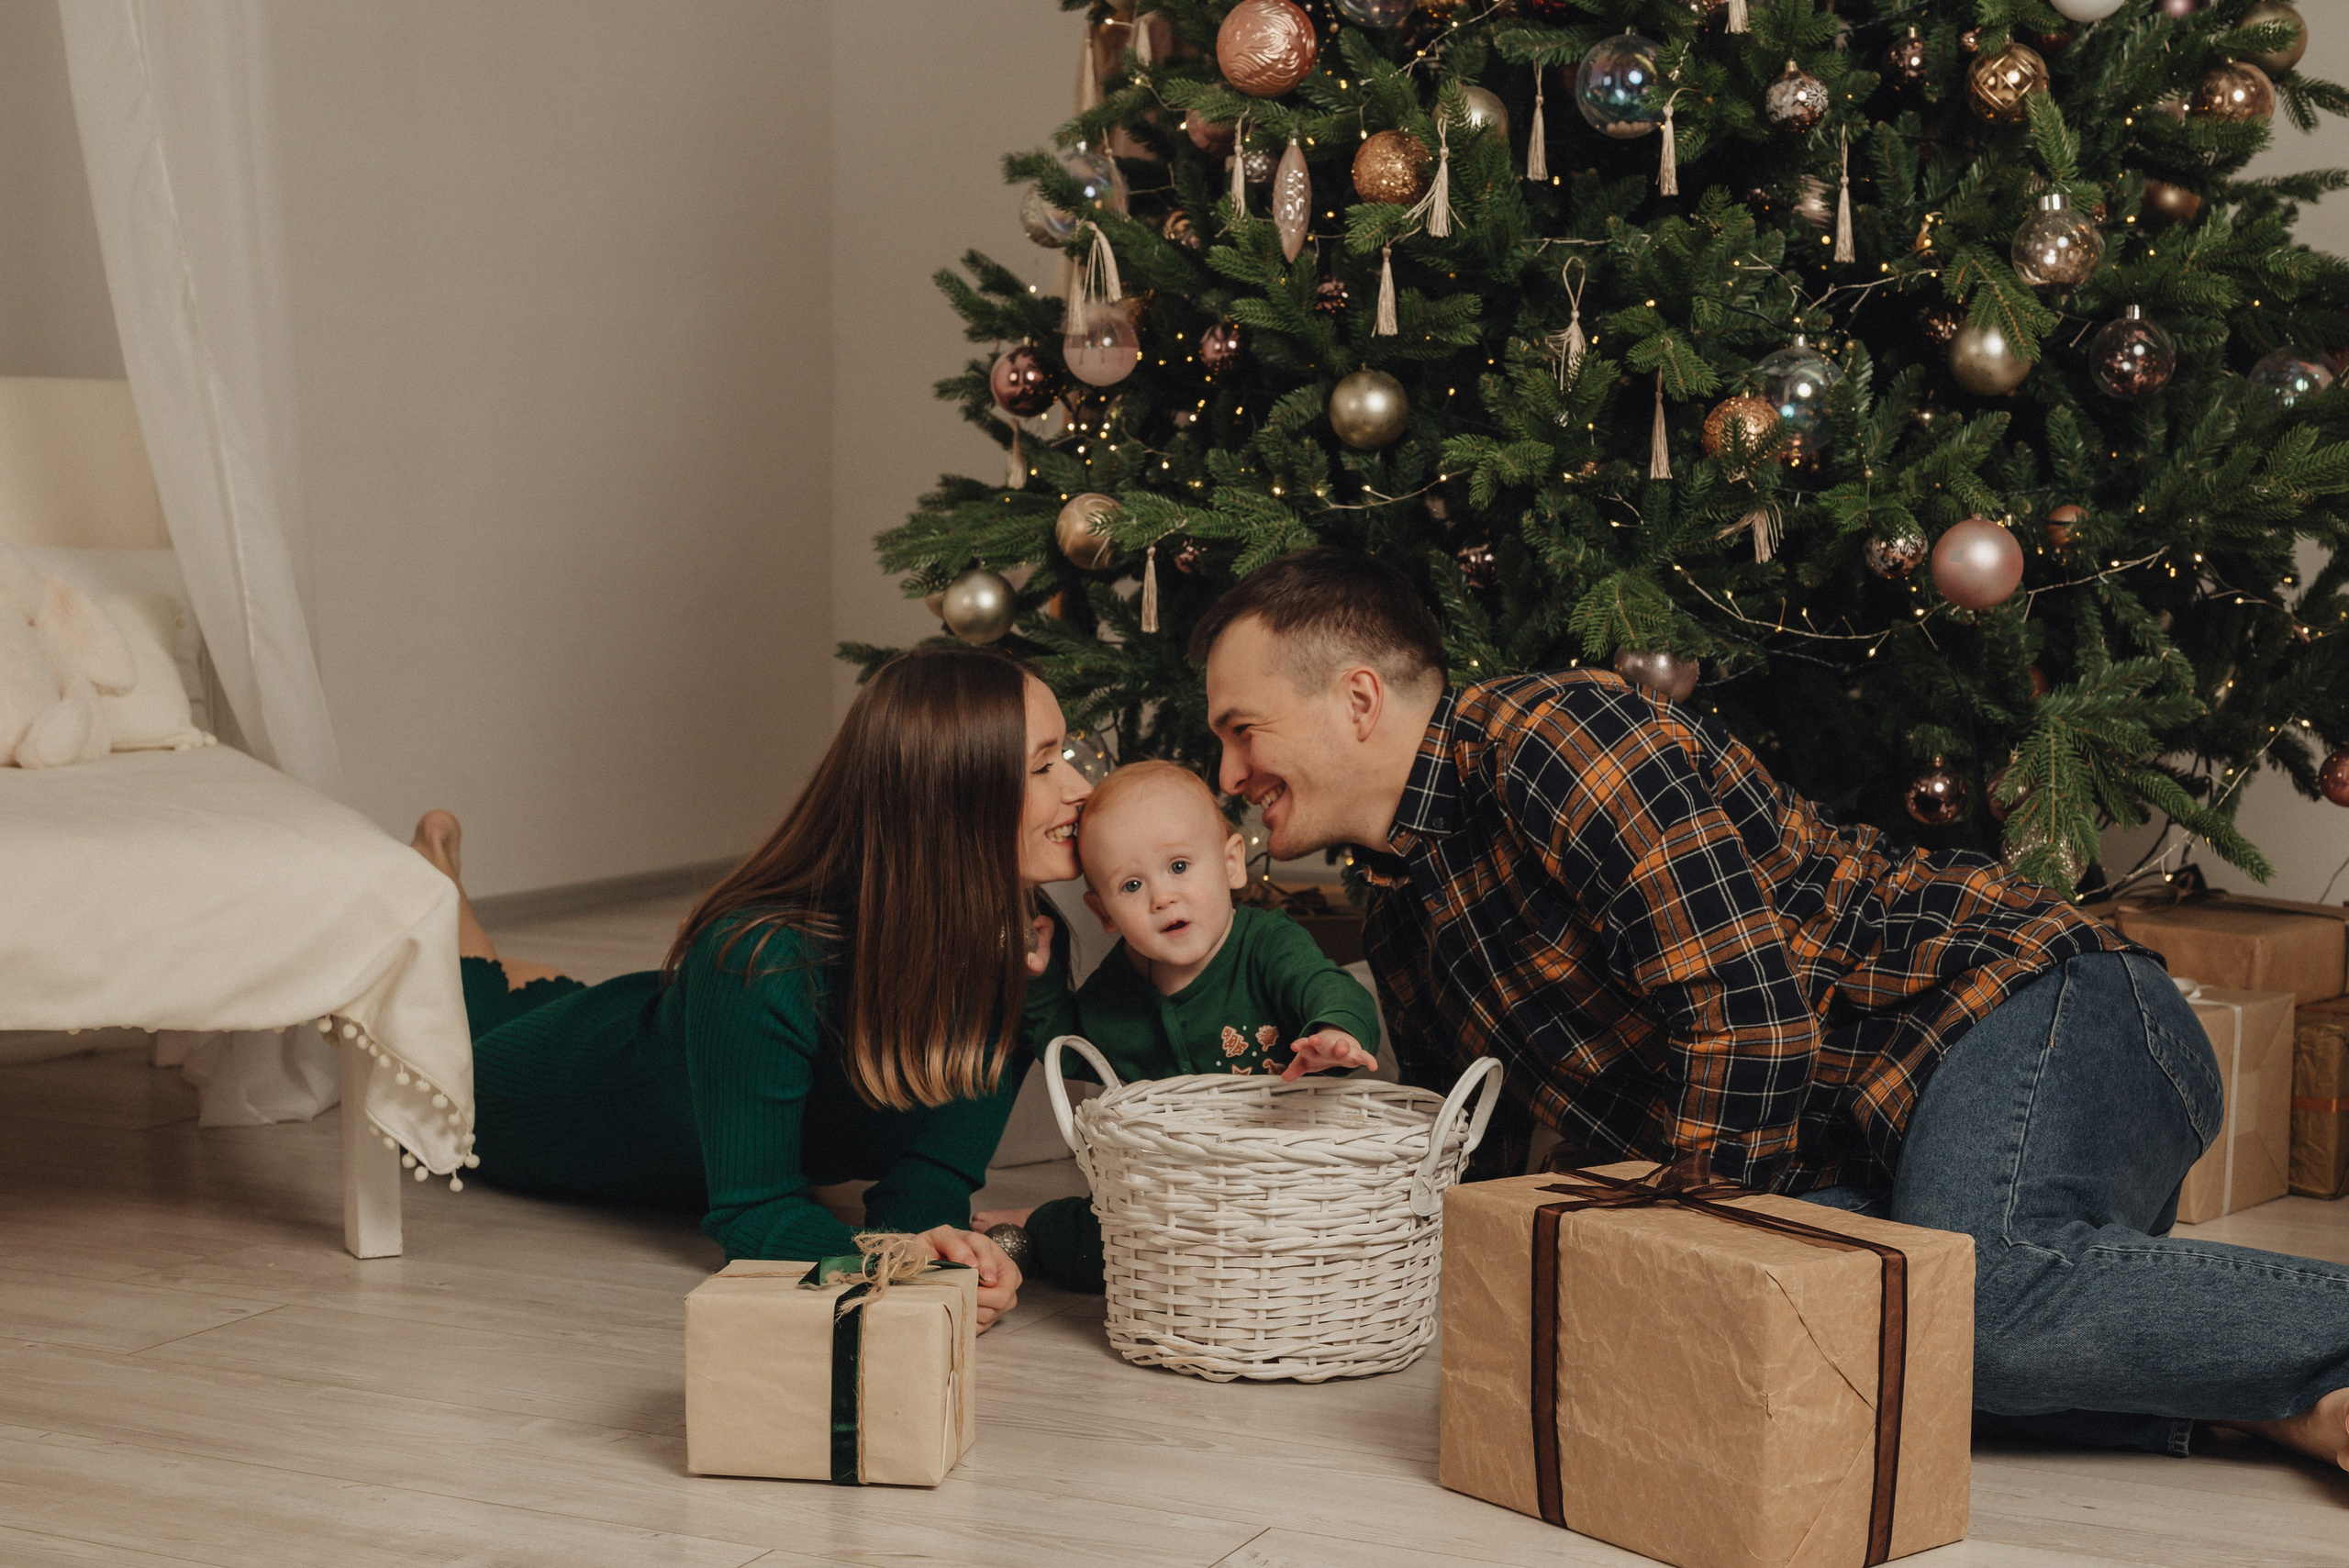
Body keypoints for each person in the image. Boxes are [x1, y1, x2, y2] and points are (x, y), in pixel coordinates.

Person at [1188, 545, 2349, 1472]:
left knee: (1967, 1295)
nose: (1228, 774)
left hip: (2029, 1001)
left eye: (1242, 731)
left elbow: (1747, 1015)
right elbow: (1477, 1152)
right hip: (1857, 1139)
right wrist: (1365, 1127)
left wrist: (1691, 1269)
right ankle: (2272, 1406)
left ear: (1353, 699)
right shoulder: (1402, 907)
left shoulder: (1547, 738)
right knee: (1818, 1335)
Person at [407, 645, 1094, 1332]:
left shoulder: (1022, 944)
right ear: (951, 795)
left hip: (671, 1039)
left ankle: (457, 903)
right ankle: (437, 882)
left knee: (543, 997)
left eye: (1065, 754)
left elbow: (930, 1176)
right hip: (555, 1092)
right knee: (457, 1037)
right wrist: (896, 1267)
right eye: (1041, 765)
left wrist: (935, 1256)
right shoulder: (762, 960)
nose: (1079, 788)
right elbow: (752, 1213)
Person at [975, 759, 1380, 1289]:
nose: (1162, 897)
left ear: (1232, 864)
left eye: (1181, 867)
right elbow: (1070, 1049)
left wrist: (1335, 1033)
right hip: (1176, 1199)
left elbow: (1326, 987)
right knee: (1105, 1246)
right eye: (1133, 884)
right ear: (1103, 912)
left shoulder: (1265, 945)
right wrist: (1040, 977)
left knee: (1328, 1243)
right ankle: (1040, 1225)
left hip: (1289, 1177)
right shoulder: (1119, 984)